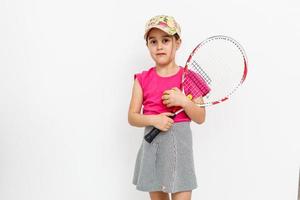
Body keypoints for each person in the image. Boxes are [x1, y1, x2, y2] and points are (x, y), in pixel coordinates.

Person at [128, 15, 207, 200]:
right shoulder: (142, 79)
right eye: (153, 41)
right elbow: (132, 117)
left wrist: (184, 101)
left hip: (181, 150)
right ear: (147, 45)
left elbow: (201, 117)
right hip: (153, 148)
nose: (159, 46)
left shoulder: (190, 78)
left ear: (177, 43)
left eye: (165, 40)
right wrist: (154, 119)